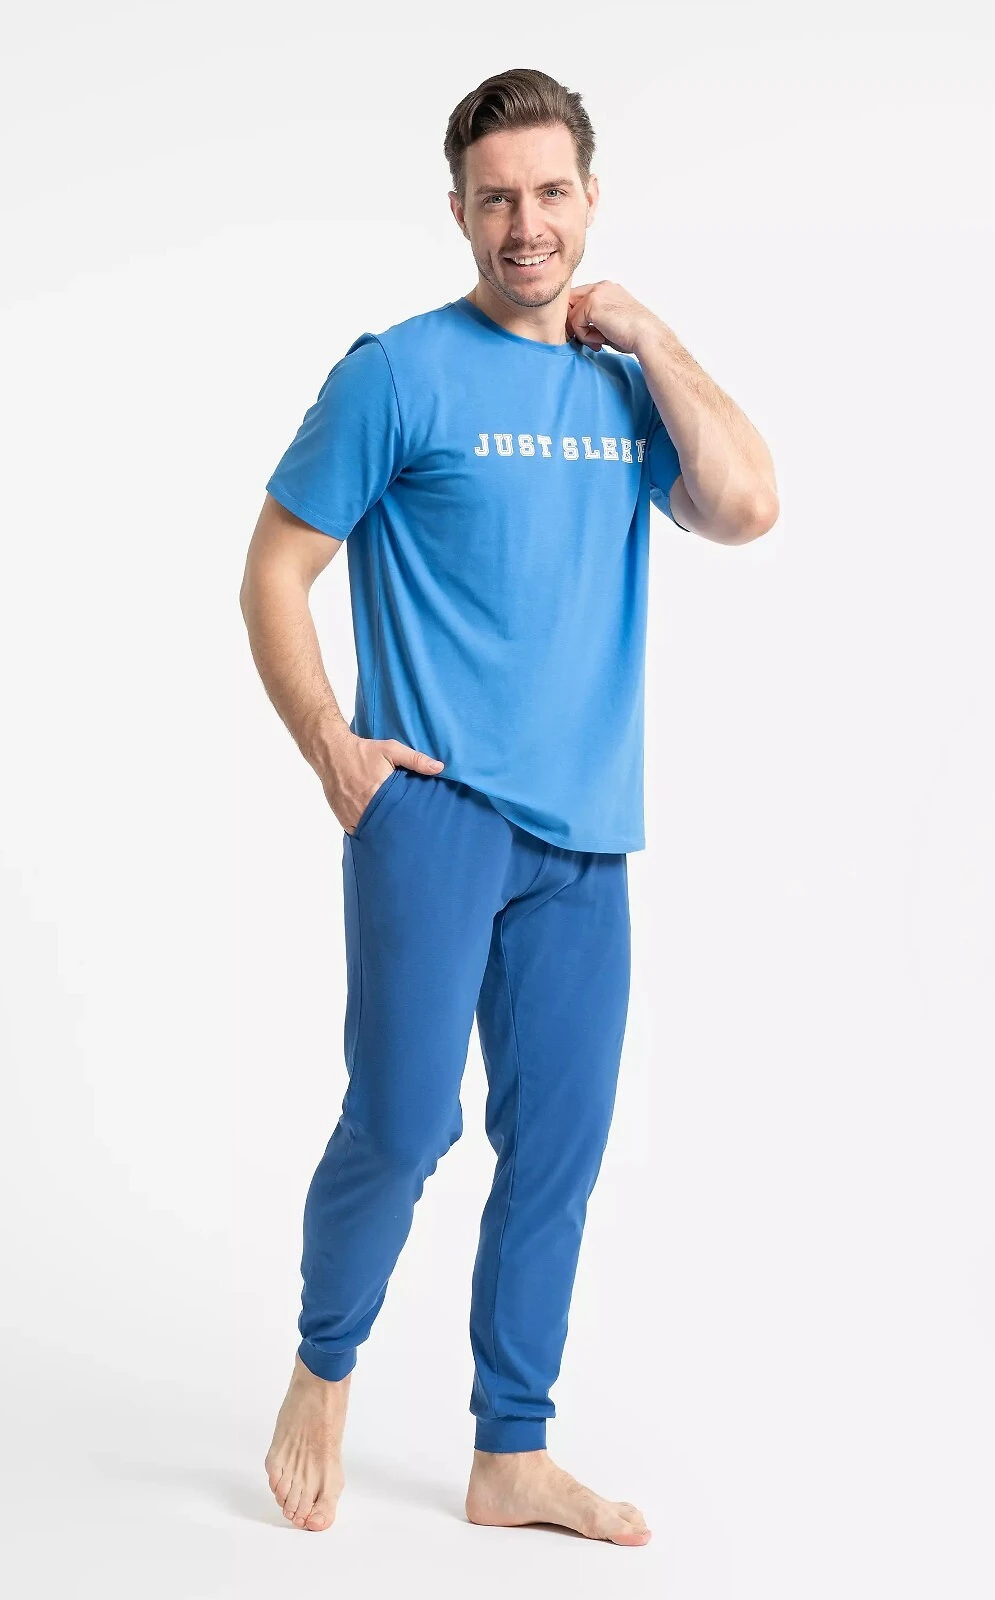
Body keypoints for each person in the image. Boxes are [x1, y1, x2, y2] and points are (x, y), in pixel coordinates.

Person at [239, 65, 778, 1547]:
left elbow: (746, 505)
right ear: (459, 212)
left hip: (587, 833)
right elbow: (274, 567)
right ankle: (324, 1367)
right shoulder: (398, 373)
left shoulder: (623, 385)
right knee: (405, 1122)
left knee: (560, 1146)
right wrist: (334, 750)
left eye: (549, 193)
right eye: (496, 199)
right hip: (434, 810)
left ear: (588, 200)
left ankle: (511, 1453)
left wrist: (653, 333)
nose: (524, 224)